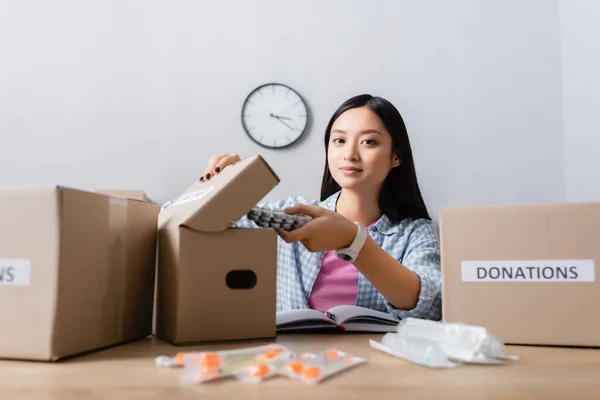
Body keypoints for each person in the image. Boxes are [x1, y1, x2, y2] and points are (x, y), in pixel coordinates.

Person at [162, 94, 441, 320]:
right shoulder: (291, 214)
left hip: (376, 373)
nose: (350, 154)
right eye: (339, 140)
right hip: (293, 366)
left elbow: (431, 306)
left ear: (396, 157)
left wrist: (354, 240)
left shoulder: (416, 233)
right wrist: (219, 189)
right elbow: (176, 222)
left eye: (368, 142)